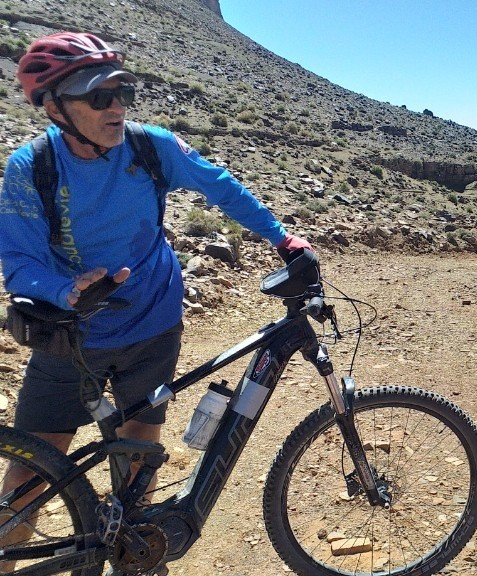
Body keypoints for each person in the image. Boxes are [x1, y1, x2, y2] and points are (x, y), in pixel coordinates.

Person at [0, 32, 312, 575]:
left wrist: (283, 239)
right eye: (99, 96)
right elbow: (20, 262)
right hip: (71, 339)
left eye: (122, 91)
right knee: (26, 484)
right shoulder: (31, 169)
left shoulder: (151, 147)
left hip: (153, 325)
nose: (116, 106)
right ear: (54, 108)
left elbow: (221, 187)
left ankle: (131, 555)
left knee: (137, 461)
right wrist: (65, 291)